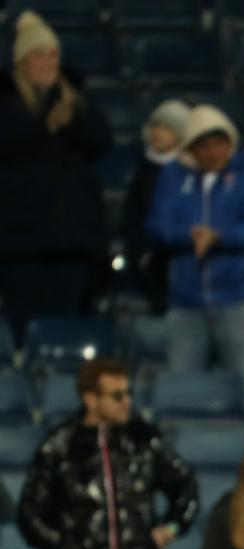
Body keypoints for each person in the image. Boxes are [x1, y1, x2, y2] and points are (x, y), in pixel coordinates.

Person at [16, 358, 198, 549]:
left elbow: (185, 485)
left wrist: (173, 527)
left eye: (128, 393)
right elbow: (30, 514)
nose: (127, 402)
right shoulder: (59, 446)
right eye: (116, 396)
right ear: (90, 399)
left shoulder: (145, 439)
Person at [0, 10, 111, 345]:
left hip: (73, 244)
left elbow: (101, 141)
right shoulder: (6, 102)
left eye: (53, 55)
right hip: (20, 247)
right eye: (38, 55)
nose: (48, 62)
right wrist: (44, 121)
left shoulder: (76, 99)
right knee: (25, 333)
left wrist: (72, 116)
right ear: (21, 61)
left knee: (71, 334)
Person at [147, 105, 244, 394]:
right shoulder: (173, 175)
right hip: (186, 299)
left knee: (243, 388)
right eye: (204, 146)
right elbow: (158, 225)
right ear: (191, 147)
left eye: (220, 143)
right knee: (182, 390)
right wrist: (190, 236)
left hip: (239, 296)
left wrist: (219, 236)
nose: (214, 152)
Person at [124, 100, 191, 316]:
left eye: (167, 127)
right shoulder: (143, 172)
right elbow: (133, 219)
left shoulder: (194, 171)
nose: (158, 133)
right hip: (155, 267)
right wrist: (141, 256)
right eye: (155, 126)